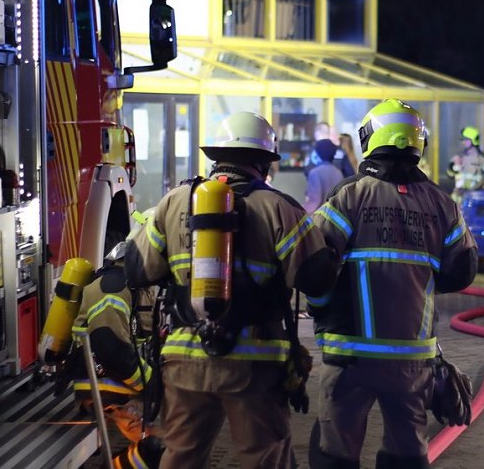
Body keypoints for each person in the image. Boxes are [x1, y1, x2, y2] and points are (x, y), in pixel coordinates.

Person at [125, 111, 338, 468]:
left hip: (184, 361)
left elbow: (137, 269)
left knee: (180, 457)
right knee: (265, 459)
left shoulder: (174, 201)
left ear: (216, 157)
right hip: (254, 364)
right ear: (263, 162)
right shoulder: (280, 209)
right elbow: (318, 279)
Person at [308, 99, 478, 469]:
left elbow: (313, 264)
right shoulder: (442, 204)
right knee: (407, 455)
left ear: (369, 138)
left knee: (333, 454)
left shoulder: (348, 196)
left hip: (350, 356)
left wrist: (318, 306)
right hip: (413, 361)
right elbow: (462, 271)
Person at [67, 241, 159, 445]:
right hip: (106, 386)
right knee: (153, 445)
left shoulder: (124, 285)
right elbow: (112, 351)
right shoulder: (112, 289)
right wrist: (150, 383)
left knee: (159, 440)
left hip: (109, 383)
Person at [446, 126, 484, 202]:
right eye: (463, 140)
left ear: (473, 140)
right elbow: (450, 175)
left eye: (466, 140)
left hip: (476, 198)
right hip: (458, 198)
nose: (463, 142)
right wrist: (454, 166)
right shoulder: (458, 158)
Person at [305, 139, 345, 213]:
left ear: (318, 153)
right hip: (335, 217)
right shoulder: (338, 173)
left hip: (319, 218)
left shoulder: (315, 173)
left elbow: (314, 201)